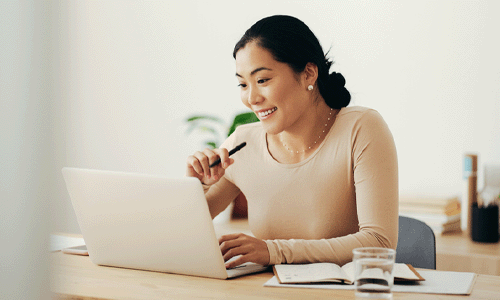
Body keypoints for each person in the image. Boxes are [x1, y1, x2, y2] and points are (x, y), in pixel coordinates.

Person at [186, 15, 398, 269]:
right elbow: (181, 230)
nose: (251, 98)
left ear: (308, 74)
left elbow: (379, 242)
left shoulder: (361, 128)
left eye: (262, 80)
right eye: (243, 84)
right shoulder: (243, 144)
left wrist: (274, 251)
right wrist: (196, 187)